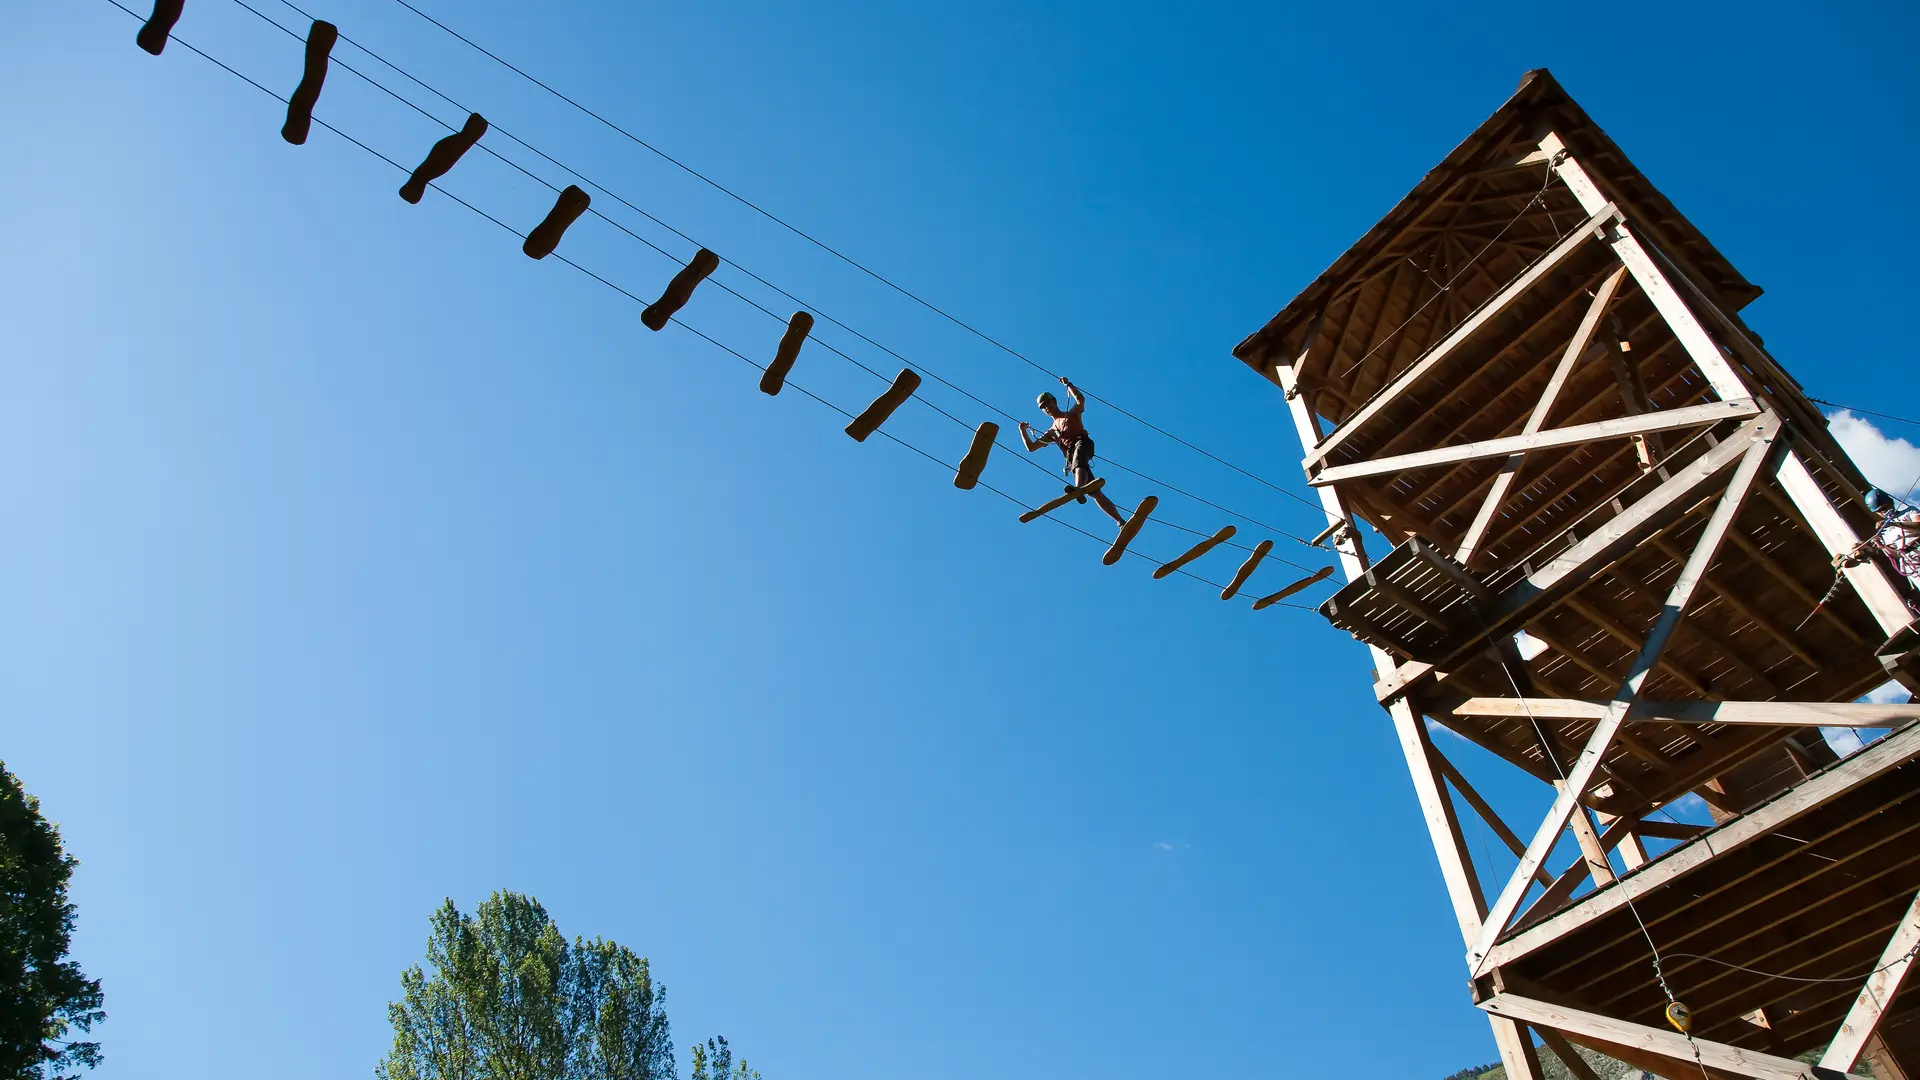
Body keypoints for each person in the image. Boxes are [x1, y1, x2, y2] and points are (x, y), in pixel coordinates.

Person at [1019, 376, 1127, 526]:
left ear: (1055, 402)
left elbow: (1080, 400)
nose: (1047, 408)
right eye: (1043, 407)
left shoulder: (1072, 414)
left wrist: (1069, 385)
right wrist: (1023, 431)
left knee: (1078, 458)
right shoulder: (1052, 432)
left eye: (1048, 404)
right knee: (1095, 492)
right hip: (1074, 459)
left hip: (1083, 445)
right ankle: (1120, 520)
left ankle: (1078, 489)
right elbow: (1031, 448)